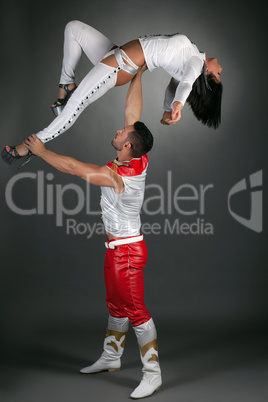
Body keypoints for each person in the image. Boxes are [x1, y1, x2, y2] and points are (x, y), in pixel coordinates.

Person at [23, 65, 162, 400]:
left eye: (122, 134)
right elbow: (133, 112)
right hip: (118, 249)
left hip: (127, 251)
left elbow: (73, 167)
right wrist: (138, 74)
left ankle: (153, 373)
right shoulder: (138, 158)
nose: (118, 130)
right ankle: (111, 357)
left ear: (127, 146)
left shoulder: (117, 177)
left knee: (136, 310)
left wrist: (42, 153)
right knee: (115, 305)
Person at [2, 20, 223, 167]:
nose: (221, 70)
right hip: (115, 53)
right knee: (73, 28)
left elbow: (184, 85)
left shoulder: (195, 64)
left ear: (209, 77)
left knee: (75, 106)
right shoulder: (191, 56)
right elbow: (173, 87)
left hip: (120, 66)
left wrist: (178, 106)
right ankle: (66, 86)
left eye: (219, 76)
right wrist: (167, 109)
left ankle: (29, 146)